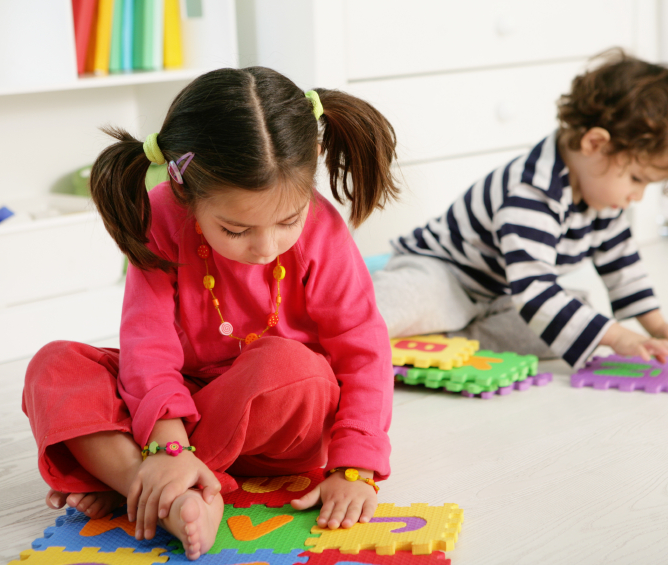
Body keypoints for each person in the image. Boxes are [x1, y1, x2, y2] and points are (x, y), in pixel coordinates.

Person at [22, 67, 399, 560]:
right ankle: (165, 486)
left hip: (278, 418)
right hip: (184, 405)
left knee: (293, 369)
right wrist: (167, 444)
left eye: (287, 221)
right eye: (236, 230)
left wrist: (354, 471)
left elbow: (363, 348)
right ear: (187, 194)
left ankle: (141, 483)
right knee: (55, 366)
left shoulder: (323, 230)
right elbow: (147, 345)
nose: (266, 247)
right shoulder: (161, 217)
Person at [373, 49, 668, 369]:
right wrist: (617, 336)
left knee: (575, 317)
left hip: (502, 295)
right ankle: (342, 324)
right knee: (404, 302)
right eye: (636, 178)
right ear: (595, 143)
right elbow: (535, 290)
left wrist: (658, 327)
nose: (638, 196)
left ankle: (444, 340)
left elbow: (621, 263)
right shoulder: (532, 191)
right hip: (448, 274)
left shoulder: (601, 198)